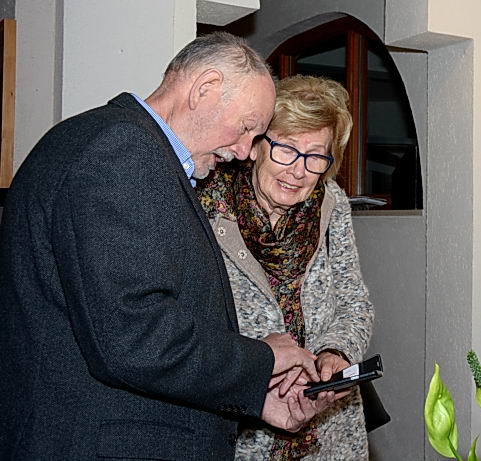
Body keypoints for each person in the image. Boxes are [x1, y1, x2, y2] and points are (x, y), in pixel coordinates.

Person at [0, 32, 339, 460]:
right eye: (246, 128)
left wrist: (257, 396)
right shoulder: (121, 151)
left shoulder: (121, 145)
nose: (244, 151)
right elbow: (135, 336)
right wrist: (261, 360)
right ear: (205, 88)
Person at [197, 75, 374, 460]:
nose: (298, 170)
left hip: (327, 430)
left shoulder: (331, 204)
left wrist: (336, 352)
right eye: (287, 149)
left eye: (315, 156)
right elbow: (186, 330)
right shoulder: (206, 206)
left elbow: (354, 303)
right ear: (256, 145)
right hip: (240, 429)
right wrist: (257, 365)